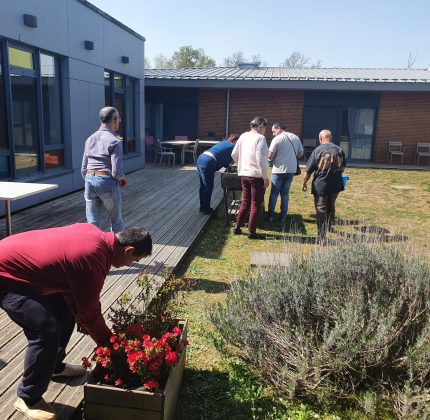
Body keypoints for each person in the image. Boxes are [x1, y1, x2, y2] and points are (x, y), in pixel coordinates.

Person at [0, 223, 152, 420]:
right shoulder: (92, 257)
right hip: (7, 274)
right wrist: (111, 346)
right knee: (46, 330)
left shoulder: (95, 234)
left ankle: (54, 367)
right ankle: (28, 397)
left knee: (65, 311)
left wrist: (80, 314)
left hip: (23, 266)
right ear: (128, 250)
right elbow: (90, 314)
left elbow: (74, 287)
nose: (130, 265)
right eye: (134, 260)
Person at [81, 107, 127, 233]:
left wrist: (91, 179)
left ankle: (93, 250)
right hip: (106, 180)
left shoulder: (90, 139)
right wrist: (122, 179)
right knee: (116, 221)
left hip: (89, 179)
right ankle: (117, 251)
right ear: (114, 120)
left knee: (92, 223)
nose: (120, 120)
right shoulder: (114, 141)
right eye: (118, 118)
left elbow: (83, 168)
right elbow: (116, 172)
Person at [301, 129, 346, 241]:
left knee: (321, 208)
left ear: (321, 138)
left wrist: (304, 183)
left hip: (321, 185)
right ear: (330, 138)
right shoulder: (340, 150)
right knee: (331, 205)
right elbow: (343, 168)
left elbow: (308, 171)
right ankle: (329, 226)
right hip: (336, 184)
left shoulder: (317, 150)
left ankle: (321, 236)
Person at [231, 116, 270, 240]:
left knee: (245, 201)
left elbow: (234, 154)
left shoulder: (243, 136)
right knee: (255, 204)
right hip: (256, 175)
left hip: (244, 174)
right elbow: (261, 159)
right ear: (260, 126)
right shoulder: (260, 138)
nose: (265, 130)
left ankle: (237, 227)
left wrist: (241, 165)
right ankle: (252, 232)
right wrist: (265, 178)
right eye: (264, 128)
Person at [267, 122, 304, 223]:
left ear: (278, 128)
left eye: (273, 131)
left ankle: (270, 215)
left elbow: (270, 156)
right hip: (291, 170)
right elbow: (301, 153)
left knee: (274, 193)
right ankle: (283, 217)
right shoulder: (296, 138)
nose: (273, 134)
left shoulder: (277, 139)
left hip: (278, 170)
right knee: (285, 194)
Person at [196, 133, 239, 215]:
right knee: (208, 186)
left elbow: (222, 156)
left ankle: (203, 207)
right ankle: (206, 209)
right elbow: (234, 159)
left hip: (201, 158)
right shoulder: (233, 147)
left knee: (203, 185)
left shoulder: (223, 142)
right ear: (235, 141)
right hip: (208, 162)